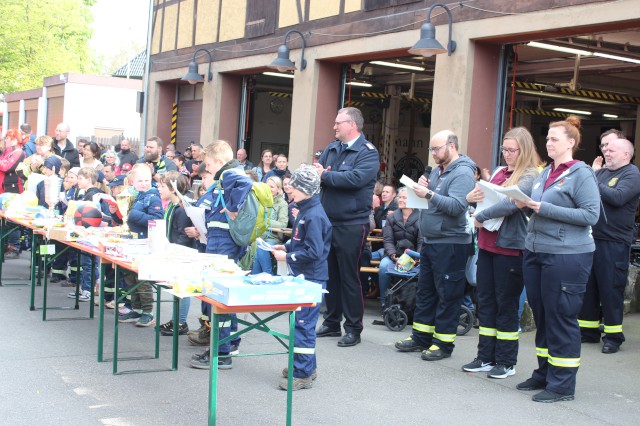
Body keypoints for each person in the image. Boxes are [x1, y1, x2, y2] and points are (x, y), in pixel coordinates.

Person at [514, 116, 600, 403]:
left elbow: (591, 215)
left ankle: (562, 385)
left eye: (554, 139)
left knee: (561, 317)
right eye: (547, 138)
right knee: (543, 315)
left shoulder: (581, 174)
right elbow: (538, 209)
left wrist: (544, 208)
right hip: (537, 251)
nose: (548, 143)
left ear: (571, 143)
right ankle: (545, 372)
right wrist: (526, 206)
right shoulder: (544, 173)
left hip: (567, 256)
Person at [461, 127, 541, 379]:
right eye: (504, 149)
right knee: (485, 302)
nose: (507, 154)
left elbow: (511, 204)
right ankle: (485, 356)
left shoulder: (530, 175)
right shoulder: (498, 172)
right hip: (487, 245)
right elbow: (485, 197)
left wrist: (480, 216)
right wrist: (473, 197)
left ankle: (506, 361)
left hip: (510, 248)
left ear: (524, 149)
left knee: (505, 304)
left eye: (512, 150)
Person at [394, 130, 476, 361]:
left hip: (451, 242)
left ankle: (443, 343)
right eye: (431, 149)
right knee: (426, 291)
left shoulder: (462, 172)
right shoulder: (440, 171)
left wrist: (428, 193)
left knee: (447, 294)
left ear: (451, 146)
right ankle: (421, 337)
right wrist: (422, 190)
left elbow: (457, 206)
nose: (432, 154)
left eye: (436, 149)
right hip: (432, 240)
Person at [314, 107, 380, 347]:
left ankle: (353, 328)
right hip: (328, 221)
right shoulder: (332, 148)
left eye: (338, 123)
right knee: (330, 275)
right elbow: (317, 173)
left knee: (350, 277)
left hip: (352, 223)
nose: (334, 127)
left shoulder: (368, 152)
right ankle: (332, 322)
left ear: (352, 125)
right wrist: (323, 175)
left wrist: (326, 176)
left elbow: (355, 179)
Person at [190, 140, 253, 370]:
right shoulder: (227, 175)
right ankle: (229, 341)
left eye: (209, 164)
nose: (208, 168)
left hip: (224, 242)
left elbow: (245, 185)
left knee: (219, 297)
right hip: (219, 239)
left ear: (219, 161)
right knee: (225, 296)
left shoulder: (230, 174)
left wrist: (233, 208)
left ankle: (221, 352)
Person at [271, 165, 331, 391]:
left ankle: (303, 374)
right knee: (300, 324)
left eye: (294, 187)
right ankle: (305, 366)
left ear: (305, 189)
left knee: (304, 325)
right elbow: (300, 240)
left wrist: (287, 256)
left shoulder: (313, 215)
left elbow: (314, 251)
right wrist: (285, 245)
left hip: (311, 278)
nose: (290, 190)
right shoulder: (306, 209)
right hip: (304, 276)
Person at [579, 137, 640, 354]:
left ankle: (613, 337)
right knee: (589, 288)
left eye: (612, 149)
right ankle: (588, 331)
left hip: (614, 242)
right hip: (592, 238)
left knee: (610, 288)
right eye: (605, 148)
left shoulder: (631, 174)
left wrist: (593, 178)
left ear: (626, 154)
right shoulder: (603, 173)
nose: (606, 152)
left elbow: (618, 197)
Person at [116, 164, 164, 326]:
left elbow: (157, 220)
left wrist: (135, 215)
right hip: (133, 242)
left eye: (146, 180)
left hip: (146, 243)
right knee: (130, 277)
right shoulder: (137, 196)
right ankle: (136, 309)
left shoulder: (153, 197)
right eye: (140, 180)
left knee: (142, 279)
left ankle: (148, 312)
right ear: (132, 182)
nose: (143, 183)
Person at [158, 171, 196, 336]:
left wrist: (172, 250)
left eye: (162, 186)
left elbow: (183, 235)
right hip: (173, 252)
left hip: (182, 255)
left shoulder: (181, 209)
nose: (159, 188)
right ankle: (176, 319)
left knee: (183, 289)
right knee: (176, 288)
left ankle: (181, 322)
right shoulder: (172, 206)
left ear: (173, 189)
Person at [374, 187, 421, 315]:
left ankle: (415, 305)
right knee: (384, 266)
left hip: (415, 257)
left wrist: (417, 257)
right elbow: (387, 240)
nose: (401, 200)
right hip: (394, 254)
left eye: (404, 198)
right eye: (400, 197)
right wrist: (392, 255)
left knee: (424, 271)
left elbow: (421, 241)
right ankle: (385, 301)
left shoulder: (421, 216)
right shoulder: (392, 217)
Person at [251, 176, 289, 275]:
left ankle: (268, 274)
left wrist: (265, 221)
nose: (269, 189)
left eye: (272, 187)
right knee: (257, 249)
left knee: (261, 248)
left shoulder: (282, 204)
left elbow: (283, 224)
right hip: (259, 236)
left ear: (278, 189)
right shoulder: (260, 200)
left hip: (273, 239)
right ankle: (260, 278)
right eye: (267, 187)